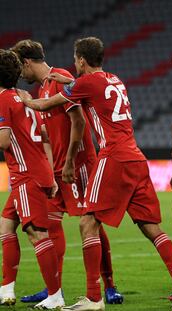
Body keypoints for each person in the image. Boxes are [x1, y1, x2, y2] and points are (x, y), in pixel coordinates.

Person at [19, 37, 172, 311]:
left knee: (87, 223)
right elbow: (90, 90)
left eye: (76, 60)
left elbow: (45, 105)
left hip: (112, 157)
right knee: (152, 228)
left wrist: (25, 99)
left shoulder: (85, 83)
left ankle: (93, 297)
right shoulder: (115, 80)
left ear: (81, 60)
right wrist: (68, 83)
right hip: (136, 157)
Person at [11, 39, 123, 305]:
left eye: (20, 68)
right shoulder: (42, 89)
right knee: (49, 224)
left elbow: (79, 121)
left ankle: (108, 285)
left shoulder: (61, 77)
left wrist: (71, 161)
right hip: (59, 169)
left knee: (92, 224)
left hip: (79, 166)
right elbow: (52, 134)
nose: (19, 74)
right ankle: (54, 289)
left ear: (27, 62)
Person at [0, 49, 64, 309]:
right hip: (37, 170)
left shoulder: (4, 99)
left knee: (36, 233)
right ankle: (6, 289)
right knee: (6, 225)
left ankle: (55, 295)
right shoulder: (23, 97)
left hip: (26, 174)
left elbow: (3, 140)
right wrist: (50, 172)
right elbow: (45, 137)